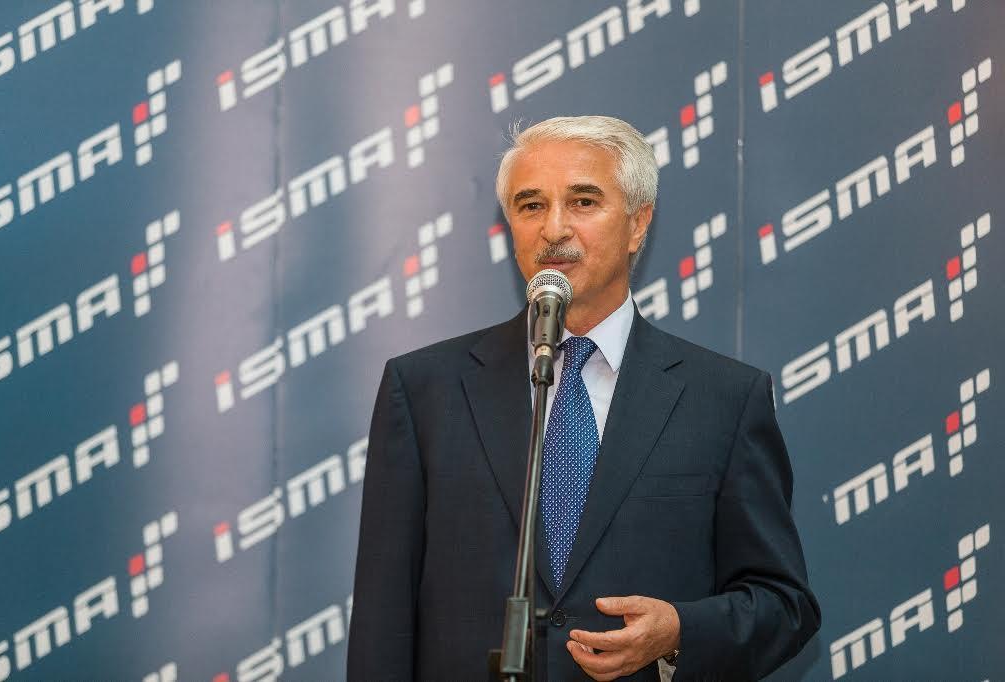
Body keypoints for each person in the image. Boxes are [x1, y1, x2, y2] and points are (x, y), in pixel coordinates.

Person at [347, 116, 820, 681]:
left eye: (583, 202)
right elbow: (382, 619)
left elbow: (783, 605)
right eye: (530, 205)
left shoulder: (724, 398)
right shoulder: (425, 389)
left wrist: (679, 631)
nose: (553, 229)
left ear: (638, 223)